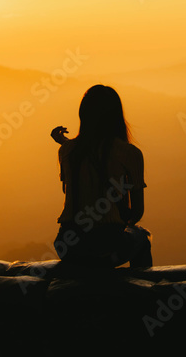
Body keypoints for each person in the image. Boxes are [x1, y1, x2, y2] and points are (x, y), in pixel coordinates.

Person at [50, 84, 152, 269]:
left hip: (68, 247)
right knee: (142, 238)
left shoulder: (66, 151)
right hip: (106, 250)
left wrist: (65, 143)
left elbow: (72, 190)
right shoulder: (130, 154)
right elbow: (137, 212)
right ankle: (142, 293)